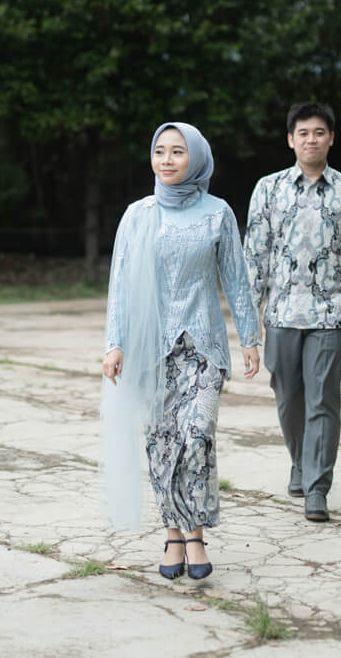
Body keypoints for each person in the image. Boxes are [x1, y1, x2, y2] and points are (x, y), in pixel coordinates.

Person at [101, 121, 261, 580]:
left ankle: (196, 532)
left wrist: (250, 337)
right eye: (160, 151)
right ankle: (176, 533)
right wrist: (115, 343)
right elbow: (120, 284)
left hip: (204, 348)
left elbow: (236, 277)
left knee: (196, 437)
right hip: (151, 351)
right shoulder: (137, 215)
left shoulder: (217, 213)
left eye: (177, 151)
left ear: (196, 157)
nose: (167, 159)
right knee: (161, 442)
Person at [243, 101, 341, 523]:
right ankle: (299, 461)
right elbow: (255, 256)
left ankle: (317, 488)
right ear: (290, 140)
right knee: (288, 398)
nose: (311, 139)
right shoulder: (268, 189)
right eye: (303, 133)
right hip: (281, 313)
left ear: (331, 138)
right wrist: (249, 319)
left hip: (332, 313)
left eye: (319, 132)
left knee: (323, 400)